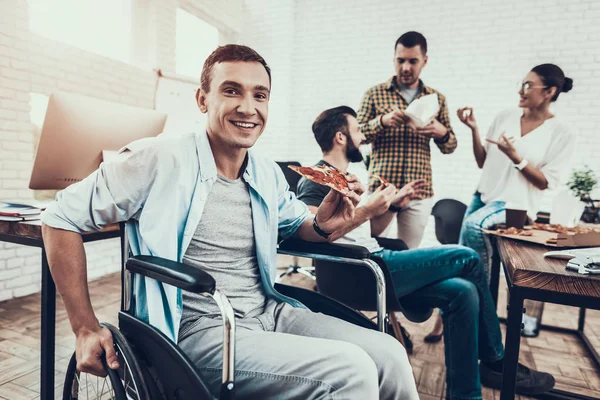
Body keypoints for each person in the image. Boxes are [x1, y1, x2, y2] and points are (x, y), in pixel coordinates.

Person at [40, 45, 419, 399]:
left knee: (389, 354)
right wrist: (85, 327)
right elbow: (59, 217)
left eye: (259, 95)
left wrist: (322, 224)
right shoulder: (158, 158)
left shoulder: (266, 172)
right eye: (232, 91)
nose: (248, 107)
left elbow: (295, 227)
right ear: (203, 99)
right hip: (197, 330)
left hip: (269, 311)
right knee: (351, 372)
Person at [297, 105, 556, 399]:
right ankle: (497, 360)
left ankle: (465, 395)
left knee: (463, 292)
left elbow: (370, 231)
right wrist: (368, 208)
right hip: (362, 270)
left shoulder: (347, 176)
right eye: (358, 132)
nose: (363, 137)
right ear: (341, 137)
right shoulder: (317, 178)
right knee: (467, 257)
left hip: (376, 258)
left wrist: (394, 205)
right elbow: (313, 232)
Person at [457, 63, 575, 335]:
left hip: (514, 206)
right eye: (521, 83)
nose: (520, 90)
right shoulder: (505, 116)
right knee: (463, 255)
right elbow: (482, 161)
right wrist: (474, 129)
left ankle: (482, 318)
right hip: (483, 197)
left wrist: (517, 158)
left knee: (474, 229)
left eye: (527, 85)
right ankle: (459, 314)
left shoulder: (562, 133)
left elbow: (547, 182)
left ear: (549, 91)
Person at [357, 31, 457, 250]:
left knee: (409, 253)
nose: (406, 67)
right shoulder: (374, 94)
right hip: (382, 189)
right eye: (401, 60)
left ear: (425, 61)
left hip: (418, 191)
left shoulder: (437, 99)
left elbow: (450, 147)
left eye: (413, 61)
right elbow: (356, 136)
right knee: (368, 248)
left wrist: (442, 133)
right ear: (394, 59)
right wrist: (381, 121)